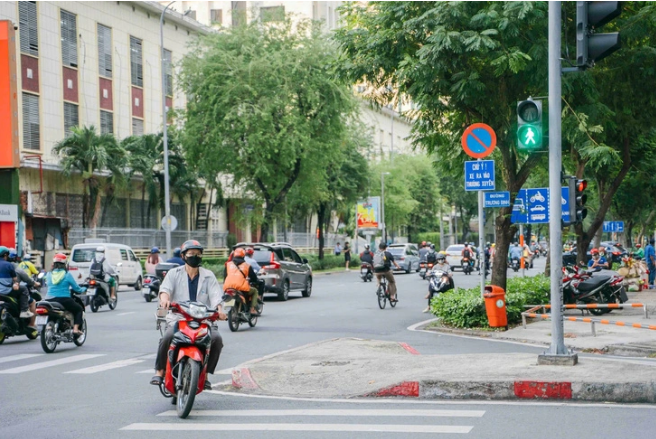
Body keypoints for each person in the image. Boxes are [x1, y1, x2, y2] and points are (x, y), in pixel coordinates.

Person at [151, 240, 227, 389]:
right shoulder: (174, 273)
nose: (195, 257)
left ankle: (204, 375)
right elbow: (165, 290)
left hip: (204, 320)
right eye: (191, 254)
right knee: (167, 337)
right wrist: (164, 301)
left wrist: (219, 310)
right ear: (183, 256)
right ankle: (159, 371)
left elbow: (216, 297)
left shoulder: (208, 276)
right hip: (179, 318)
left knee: (216, 339)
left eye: (198, 254)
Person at [45, 253, 86, 335]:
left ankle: (49, 326)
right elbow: (77, 289)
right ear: (65, 264)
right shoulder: (67, 275)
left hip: (48, 299)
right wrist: (84, 289)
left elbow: (47, 284)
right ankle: (75, 329)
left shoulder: (49, 274)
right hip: (63, 299)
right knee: (78, 309)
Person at [224, 247, 261, 316]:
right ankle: (252, 309)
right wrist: (256, 282)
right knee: (255, 291)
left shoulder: (228, 265)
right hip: (241, 287)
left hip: (228, 287)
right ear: (243, 255)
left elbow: (225, 276)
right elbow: (253, 278)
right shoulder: (247, 265)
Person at [9, 250, 40, 328]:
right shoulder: (17, 267)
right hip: (15, 289)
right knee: (32, 302)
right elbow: (31, 276)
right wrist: (35, 283)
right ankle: (31, 323)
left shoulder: (19, 264)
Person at [0, 246, 32, 318]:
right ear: (5, 255)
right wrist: (16, 284)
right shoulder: (9, 265)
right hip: (6, 291)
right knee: (23, 289)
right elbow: (15, 279)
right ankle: (24, 311)